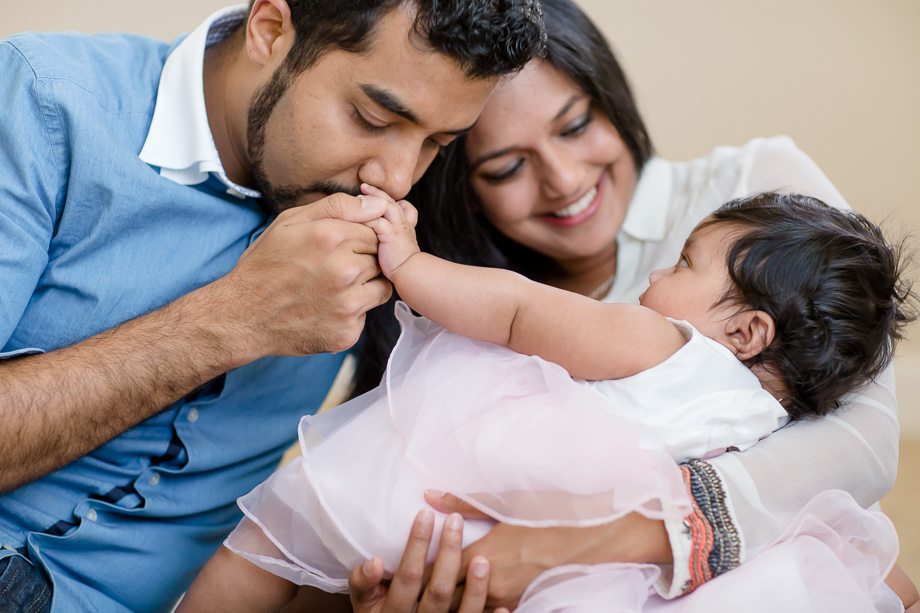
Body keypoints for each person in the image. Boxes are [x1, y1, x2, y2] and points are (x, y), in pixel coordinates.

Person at [345, 0, 914, 609]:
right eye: (507, 167)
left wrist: (605, 538)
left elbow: (865, 438)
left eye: (574, 125)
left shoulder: (755, 197)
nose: (563, 179)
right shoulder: (462, 308)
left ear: (610, 97)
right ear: (463, 191)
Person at [0, 0, 545, 610]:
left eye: (436, 144)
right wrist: (232, 319)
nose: (394, 178)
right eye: (371, 118)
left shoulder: (402, 229)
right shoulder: (41, 103)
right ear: (269, 30)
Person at [178, 189, 914, 612]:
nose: (659, 270)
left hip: (469, 492)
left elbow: (517, 312)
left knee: (277, 532)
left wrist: (410, 264)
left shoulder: (666, 342)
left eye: (685, 262)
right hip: (586, 583)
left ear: (746, 330)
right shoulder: (767, 429)